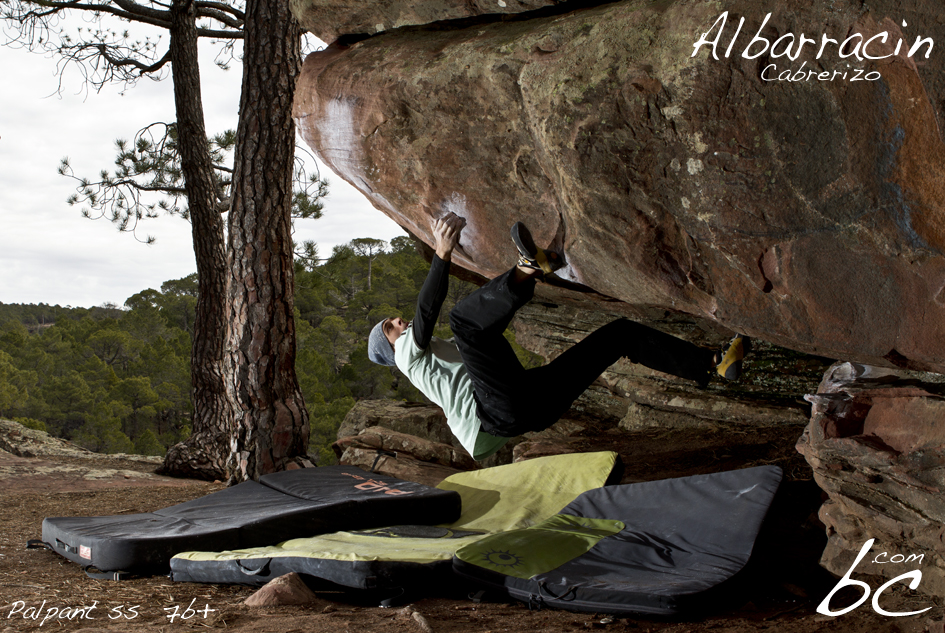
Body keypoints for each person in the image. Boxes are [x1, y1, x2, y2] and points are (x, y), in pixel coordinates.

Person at [368, 214, 749, 461]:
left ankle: (714, 363)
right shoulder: (406, 358)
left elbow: (487, 335)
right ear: (391, 347)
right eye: (390, 327)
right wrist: (441, 252)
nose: (398, 322)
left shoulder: (441, 360)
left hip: (528, 410)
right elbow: (426, 312)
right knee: (463, 322)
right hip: (497, 414)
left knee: (620, 335)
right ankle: (530, 267)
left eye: (392, 321)